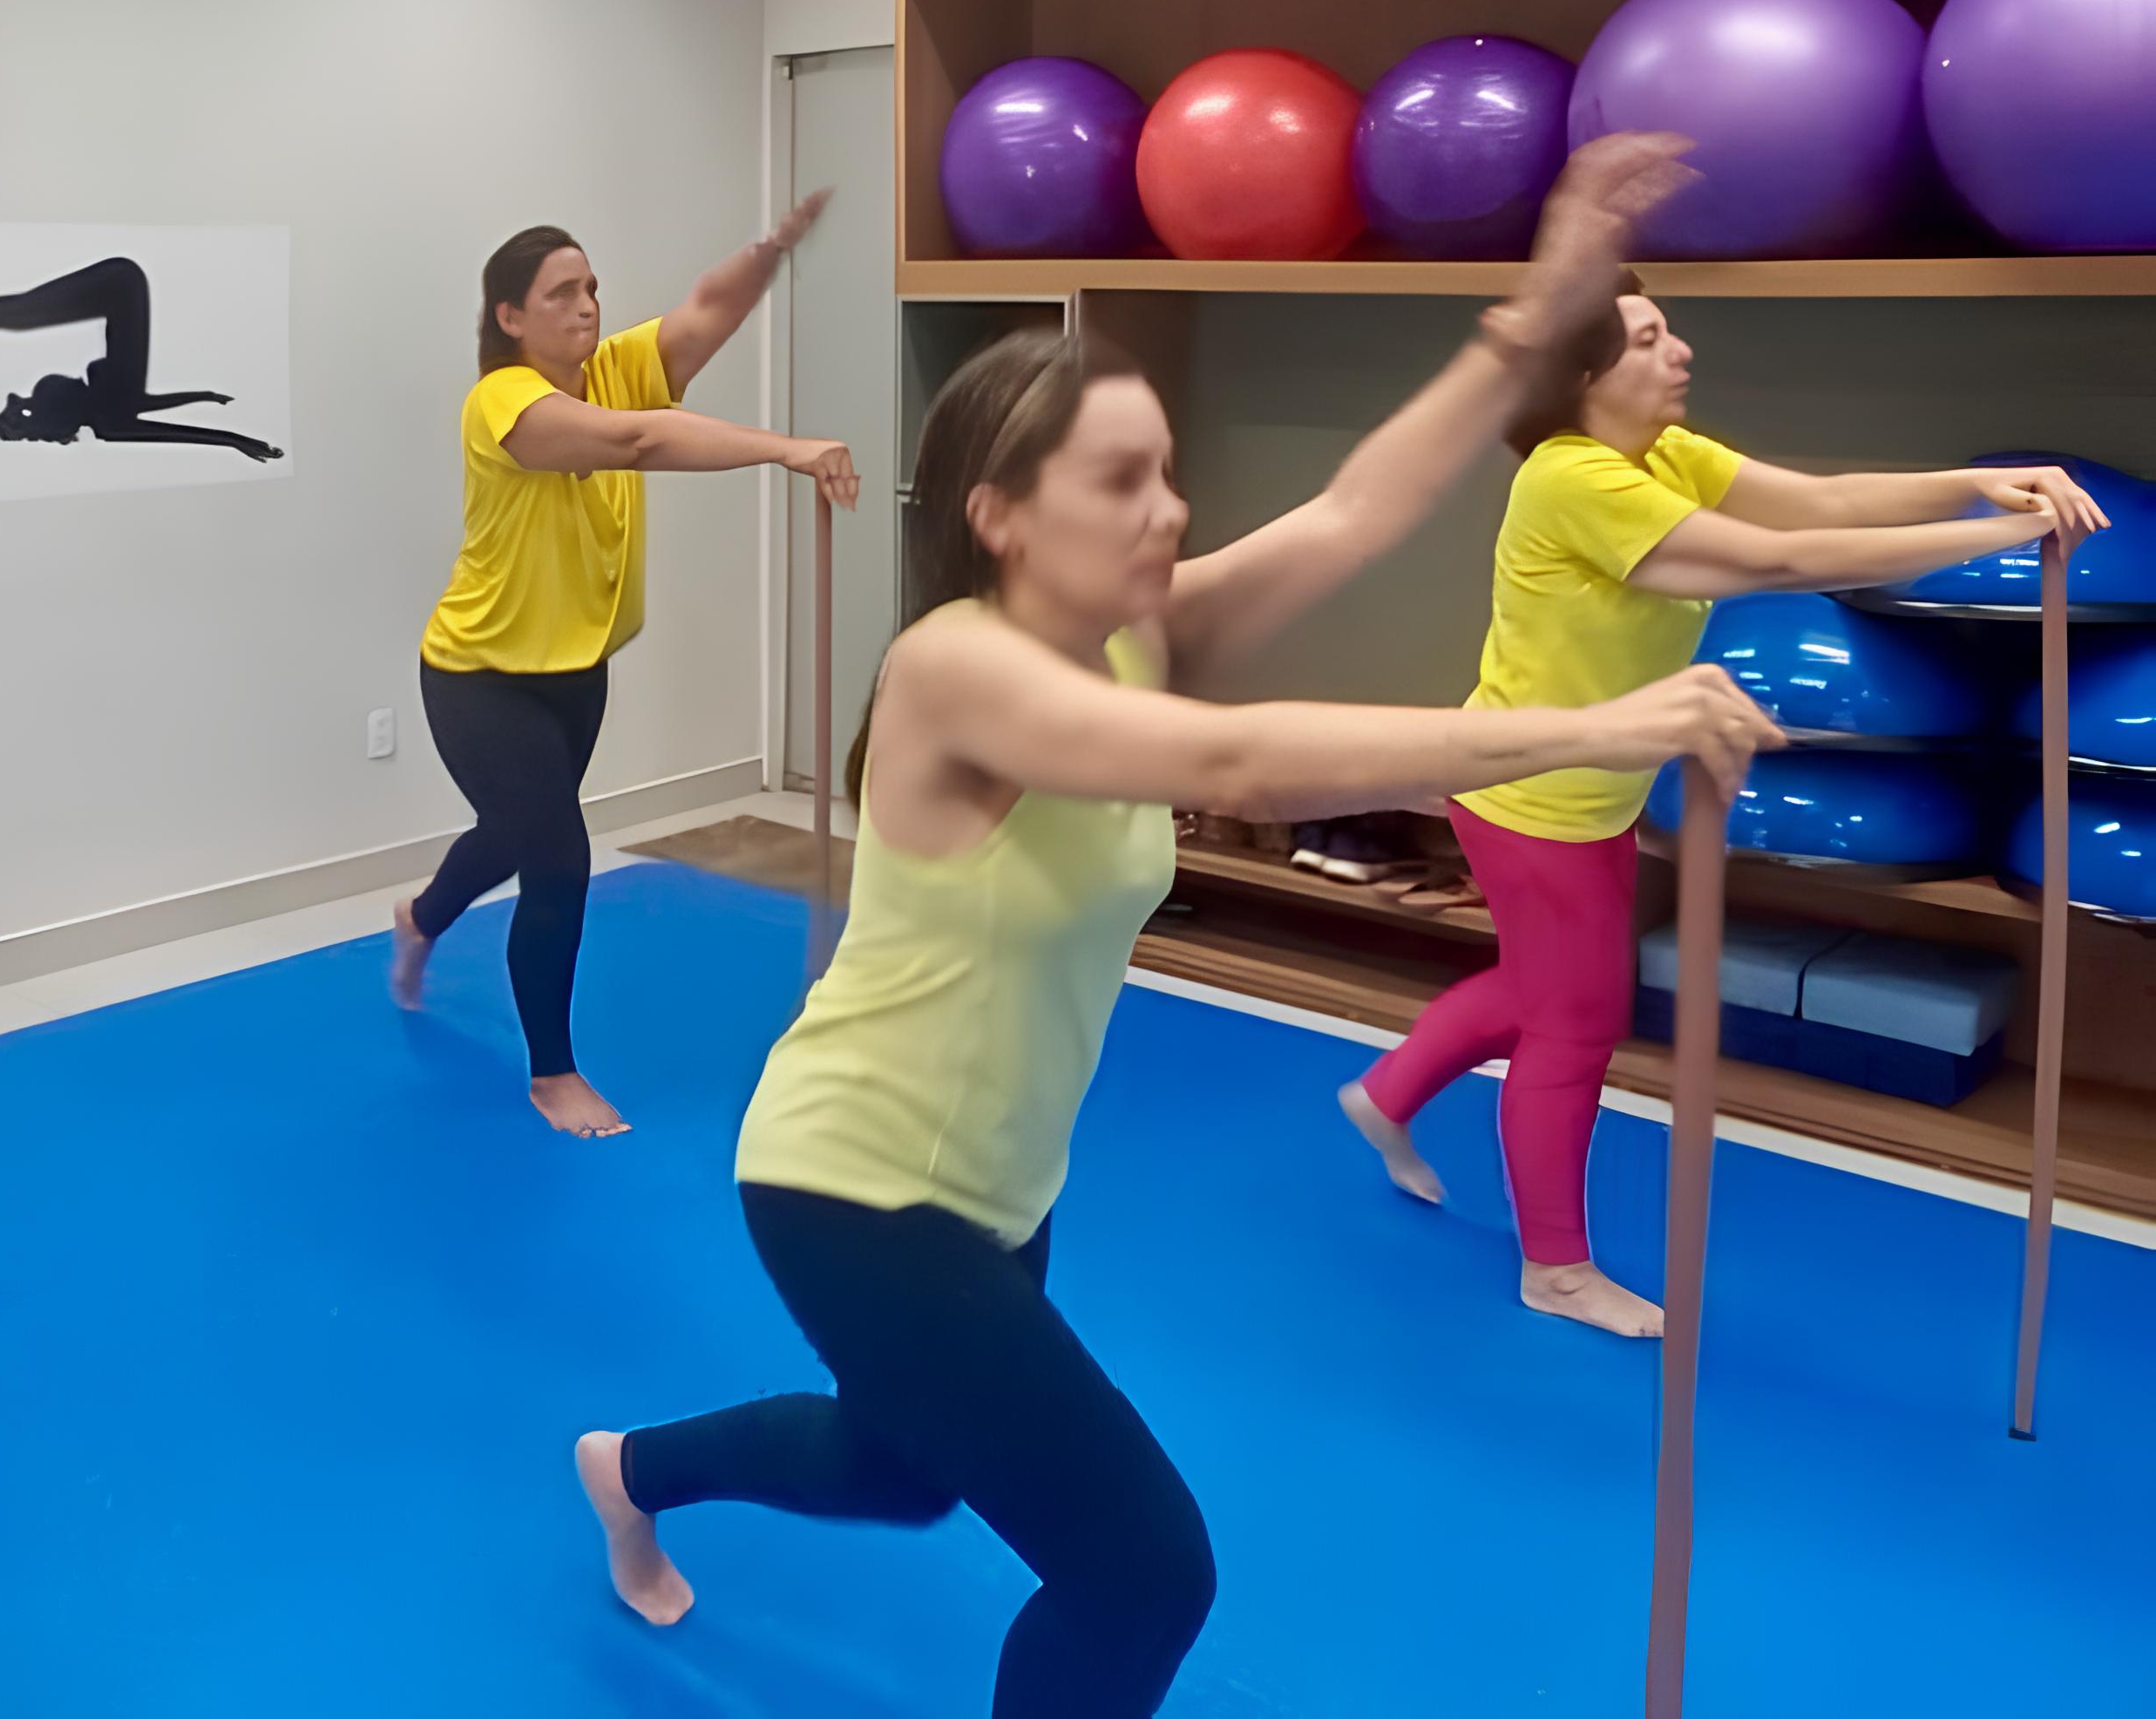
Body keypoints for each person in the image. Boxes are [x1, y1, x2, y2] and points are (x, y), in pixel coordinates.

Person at [571, 135, 1786, 1718]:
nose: (1174, 504)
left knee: (899, 1467)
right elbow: (1228, 759)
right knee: (1145, 1564)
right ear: (1004, 513)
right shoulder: (955, 668)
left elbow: (1359, 507)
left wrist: (1536, 307)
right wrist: (1582, 722)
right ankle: (637, 1465)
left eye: (1167, 470)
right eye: (1124, 480)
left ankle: (627, 1464)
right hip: (852, 1183)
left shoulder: (1134, 628)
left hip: (997, 1182)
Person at [1338, 277, 2105, 1338]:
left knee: (1542, 984)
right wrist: (1987, 538)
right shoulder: (1576, 479)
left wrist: (1984, 483)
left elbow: (1823, 504)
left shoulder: (1665, 454)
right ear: (1586, 378)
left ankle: (1385, 1092)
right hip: (1533, 799)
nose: (1680, 350)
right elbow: (1777, 559)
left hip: (1587, 790)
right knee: (1578, 1021)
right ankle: (1553, 1268)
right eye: (1649, 339)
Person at [391, 200, 864, 1137]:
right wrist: (786, 450)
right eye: (561, 293)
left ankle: (419, 918)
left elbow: (702, 313)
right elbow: (637, 441)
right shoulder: (506, 402)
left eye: (592, 287)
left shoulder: (614, 370)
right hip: (479, 675)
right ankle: (552, 1074)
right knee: (557, 856)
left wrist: (767, 250)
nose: (587, 306)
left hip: (576, 670)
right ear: (509, 317)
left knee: (516, 830)